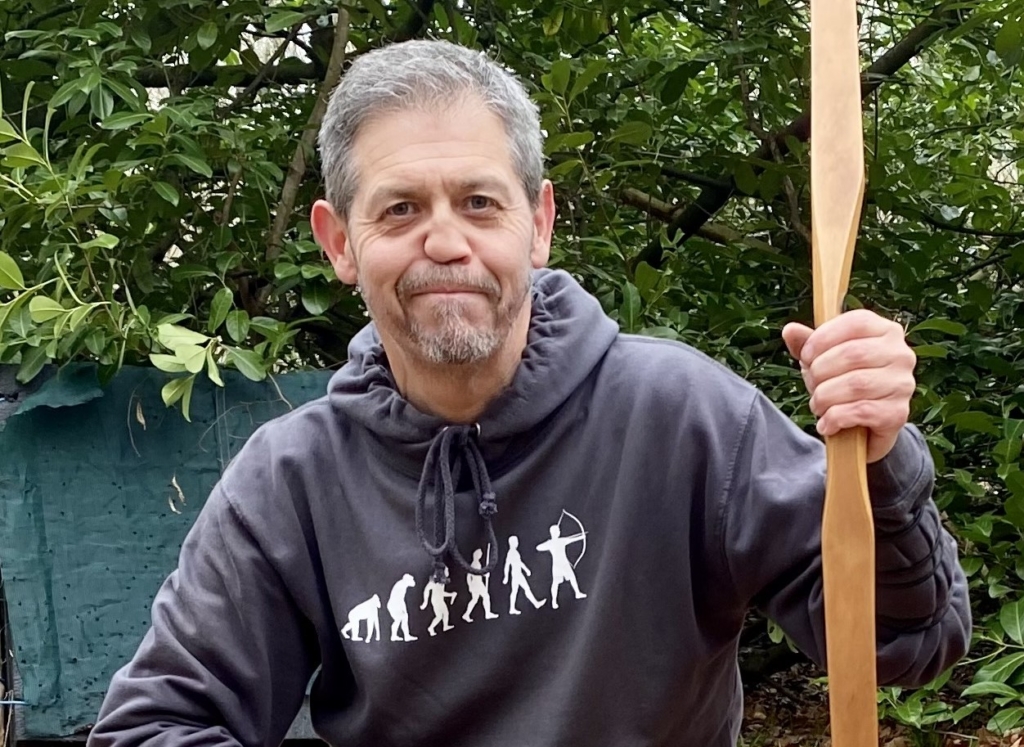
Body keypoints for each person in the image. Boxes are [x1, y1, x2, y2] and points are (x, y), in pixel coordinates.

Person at [88, 38, 971, 746]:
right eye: (399, 210)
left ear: (538, 222)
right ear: (339, 242)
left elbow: (908, 643)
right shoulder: (292, 481)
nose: (444, 242)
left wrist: (880, 453)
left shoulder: (679, 415)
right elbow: (157, 723)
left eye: (479, 202)